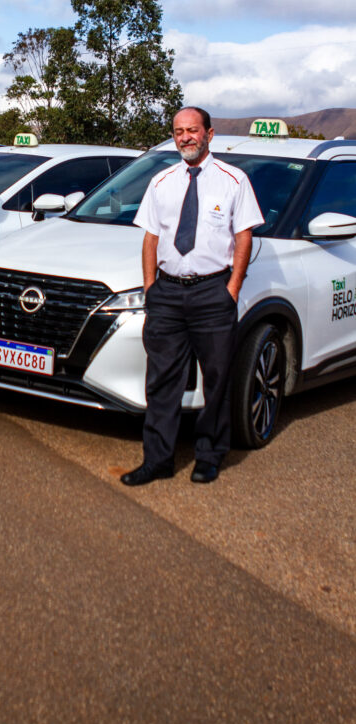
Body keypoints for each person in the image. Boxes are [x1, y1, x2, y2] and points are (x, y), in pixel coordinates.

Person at [121, 107, 263, 487]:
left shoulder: (234, 181)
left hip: (212, 293)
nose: (185, 137)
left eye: (192, 130)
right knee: (161, 381)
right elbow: (151, 237)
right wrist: (151, 287)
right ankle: (157, 460)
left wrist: (232, 288)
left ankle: (209, 456)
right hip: (167, 293)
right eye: (179, 131)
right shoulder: (161, 181)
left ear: (209, 134)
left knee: (217, 379)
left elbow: (244, 236)